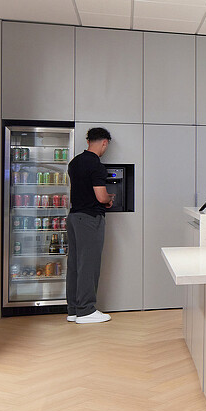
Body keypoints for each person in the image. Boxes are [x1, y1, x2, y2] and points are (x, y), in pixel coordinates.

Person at [65, 127, 115, 324]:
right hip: (89, 219)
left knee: (75, 265)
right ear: (104, 142)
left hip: (74, 217)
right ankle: (86, 310)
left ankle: (73, 310)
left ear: (88, 141)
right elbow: (101, 196)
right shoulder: (96, 165)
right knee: (89, 264)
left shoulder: (74, 162)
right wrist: (109, 199)